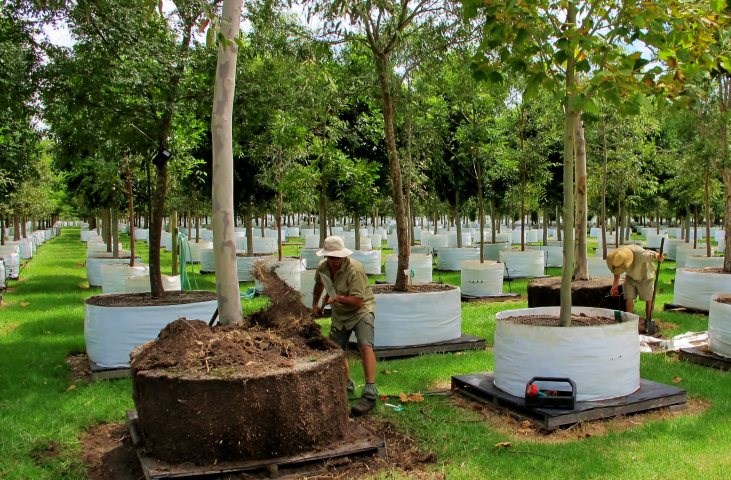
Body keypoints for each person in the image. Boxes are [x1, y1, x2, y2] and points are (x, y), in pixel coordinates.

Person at [311, 235, 378, 416]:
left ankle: (370, 391)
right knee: (337, 351)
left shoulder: (354, 269)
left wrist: (337, 298)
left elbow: (358, 301)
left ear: (343, 255)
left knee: (365, 346)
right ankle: (346, 384)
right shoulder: (323, 268)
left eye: (337, 257)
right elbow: (319, 285)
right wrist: (315, 304)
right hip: (340, 313)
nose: (334, 261)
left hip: (361, 311)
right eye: (331, 257)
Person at [606, 245, 663, 330]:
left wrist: (658, 256)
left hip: (645, 277)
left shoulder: (640, 254)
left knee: (648, 299)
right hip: (630, 277)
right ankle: (630, 321)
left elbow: (652, 254)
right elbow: (616, 270)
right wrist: (615, 284)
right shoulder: (618, 256)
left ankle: (649, 320)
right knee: (629, 297)